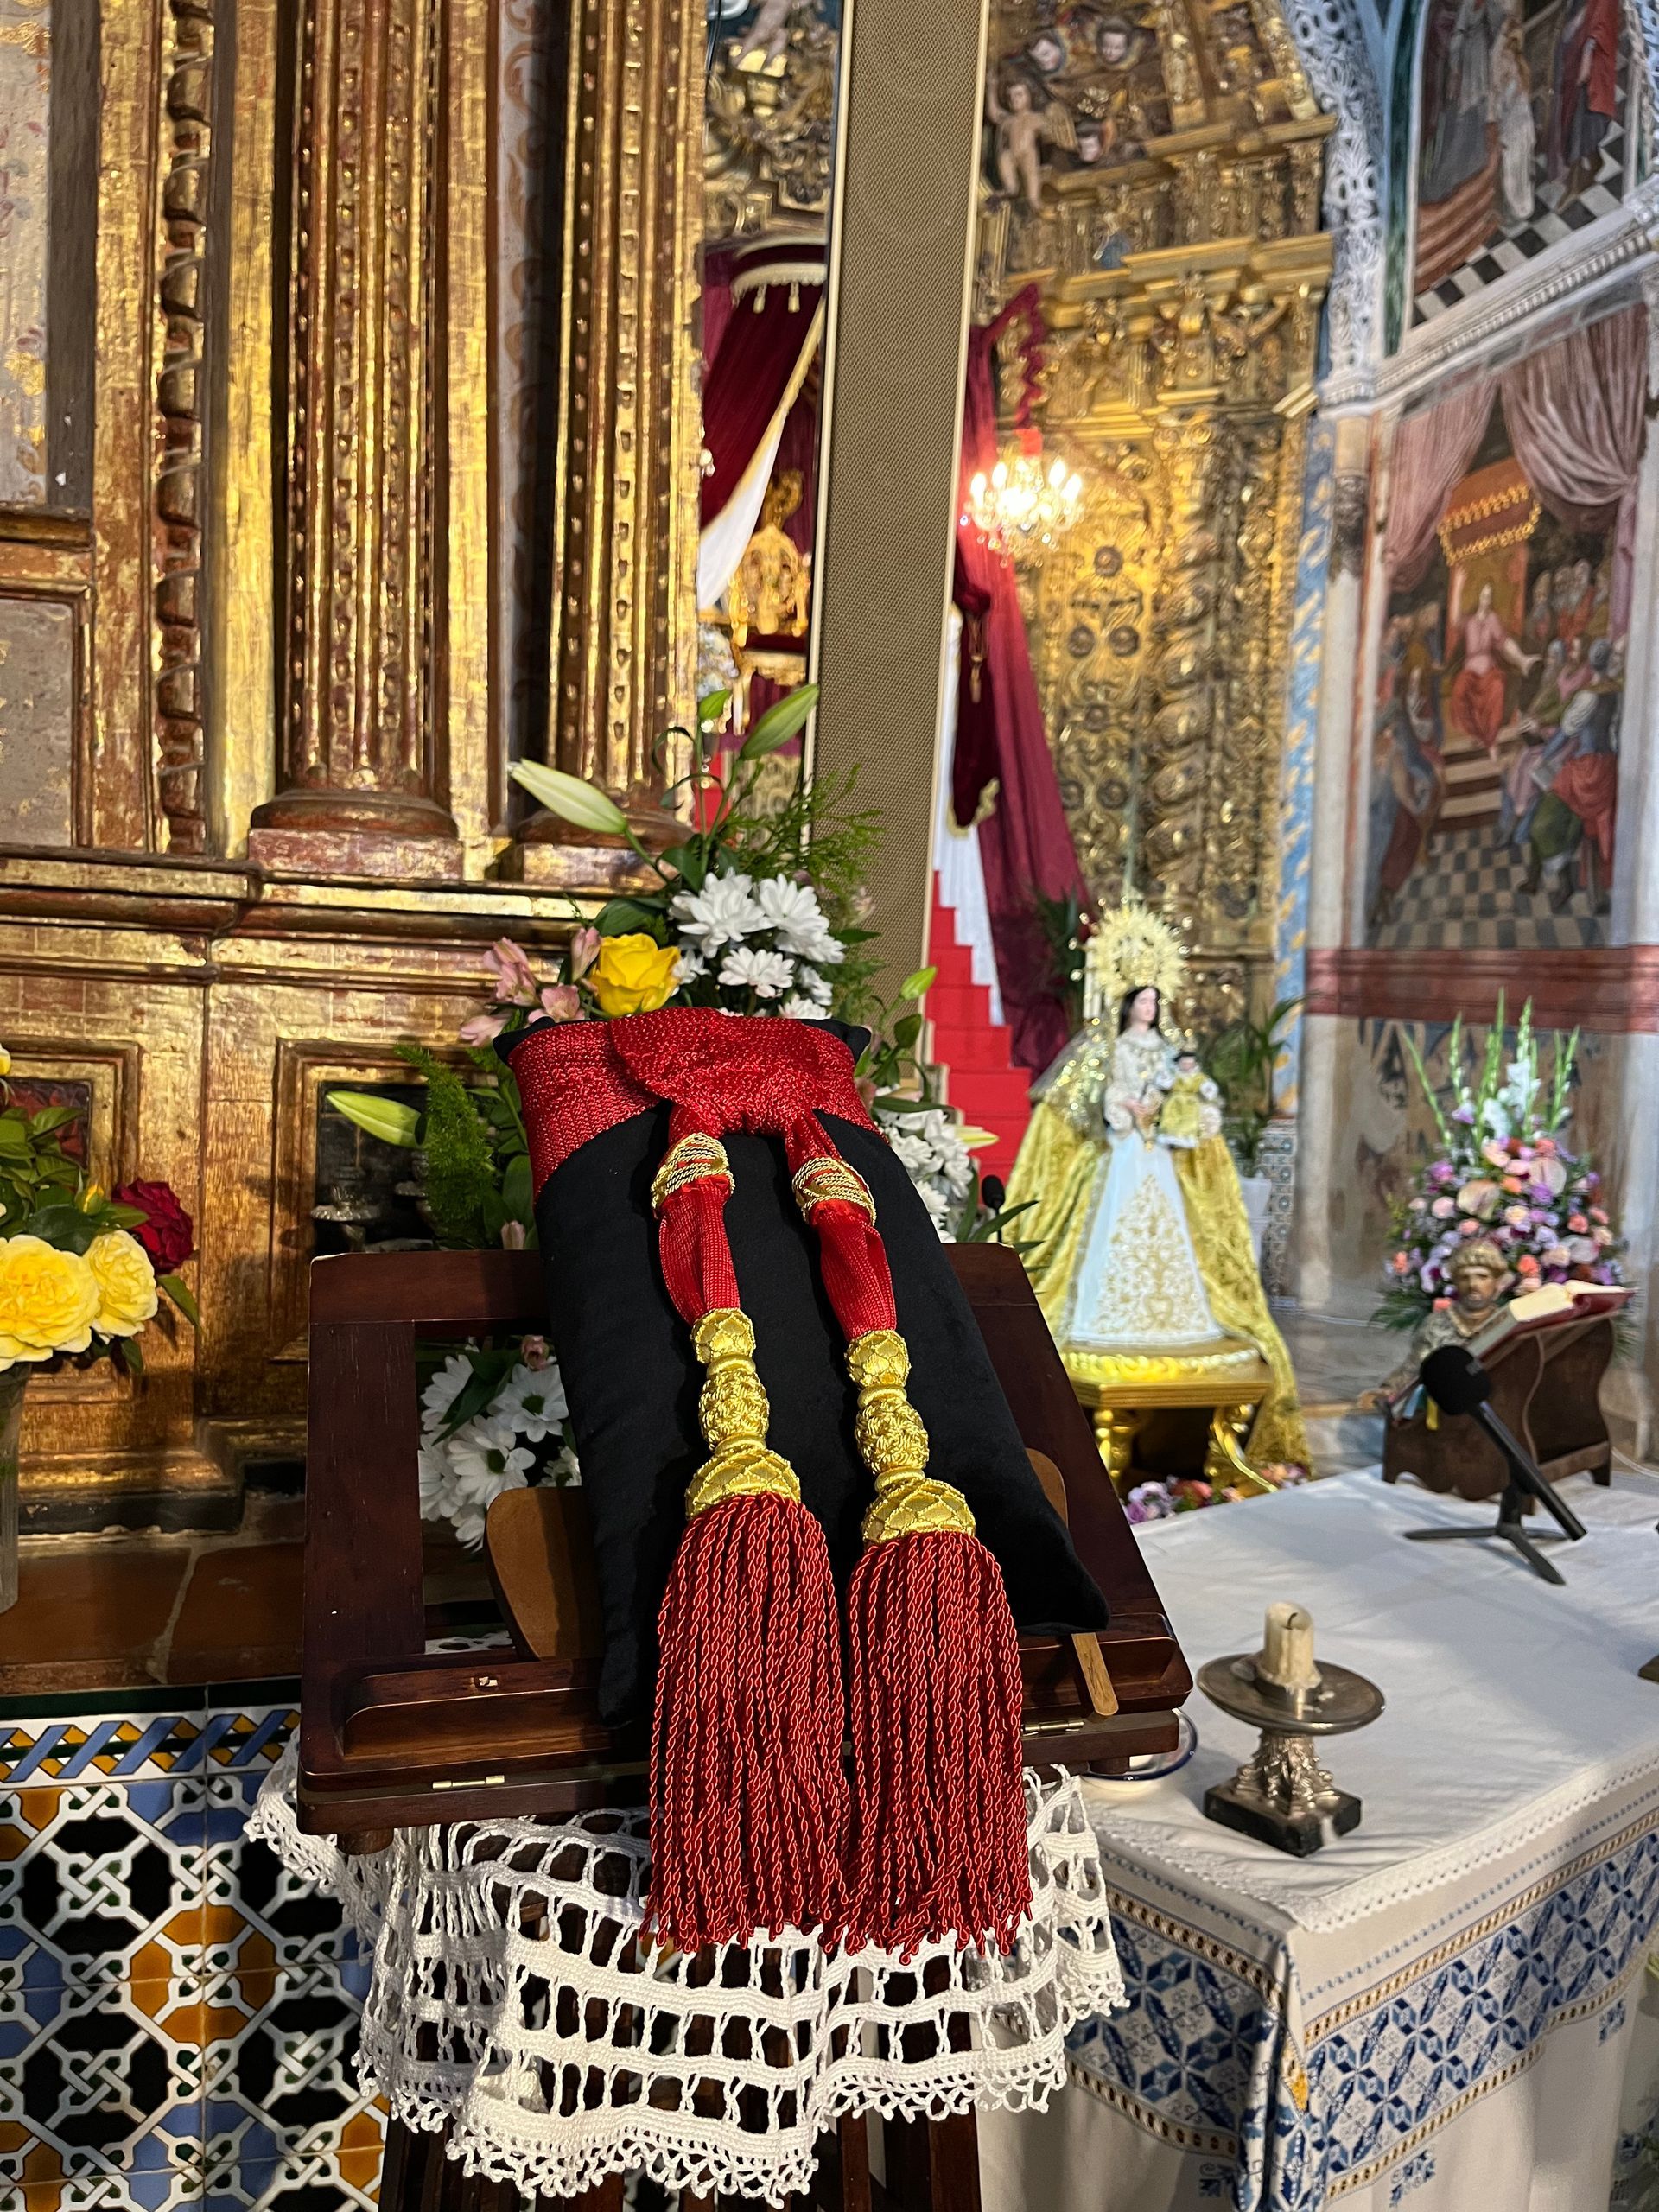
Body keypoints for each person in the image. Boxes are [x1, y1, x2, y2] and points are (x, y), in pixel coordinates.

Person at [1004, 906, 1307, 1471]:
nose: (1148, 1008)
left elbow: (1186, 1088)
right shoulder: (1115, 1048)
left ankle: (1173, 1317)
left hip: (1157, 1151)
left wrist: (1177, 1105)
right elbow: (1108, 1094)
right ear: (1127, 1004)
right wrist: (1130, 1107)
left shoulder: (1168, 1049)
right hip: (1125, 1150)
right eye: (1141, 1001)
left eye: (1153, 1001)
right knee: (1116, 1228)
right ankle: (1109, 1315)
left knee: (1168, 1231)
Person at [1361, 1240, 1511, 1413]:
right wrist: (1389, 1390)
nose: (1473, 1285)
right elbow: (1414, 1369)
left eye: (1482, 1277)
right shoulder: (1436, 1324)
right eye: (1464, 1277)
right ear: (1455, 1282)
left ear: (1497, 1282)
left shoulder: (1506, 1322)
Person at [1448, 579, 1539, 757]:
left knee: (1498, 687)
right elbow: (1455, 620)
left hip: (1489, 672)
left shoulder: (1493, 620)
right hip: (1470, 672)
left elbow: (1505, 643)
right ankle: (1480, 735)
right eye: (1484, 596)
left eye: (1489, 597)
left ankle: (1491, 740)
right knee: (1459, 691)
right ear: (1478, 597)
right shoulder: (1469, 620)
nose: (1487, 600)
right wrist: (1458, 588)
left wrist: (1522, 659)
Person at [1493, 19, 1535, 223]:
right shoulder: (1515, 66)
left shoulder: (1513, 67)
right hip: (1519, 125)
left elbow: (1509, 100)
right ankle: (1517, 206)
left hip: (1516, 127)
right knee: (1517, 169)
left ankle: (1518, 207)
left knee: (1514, 169)